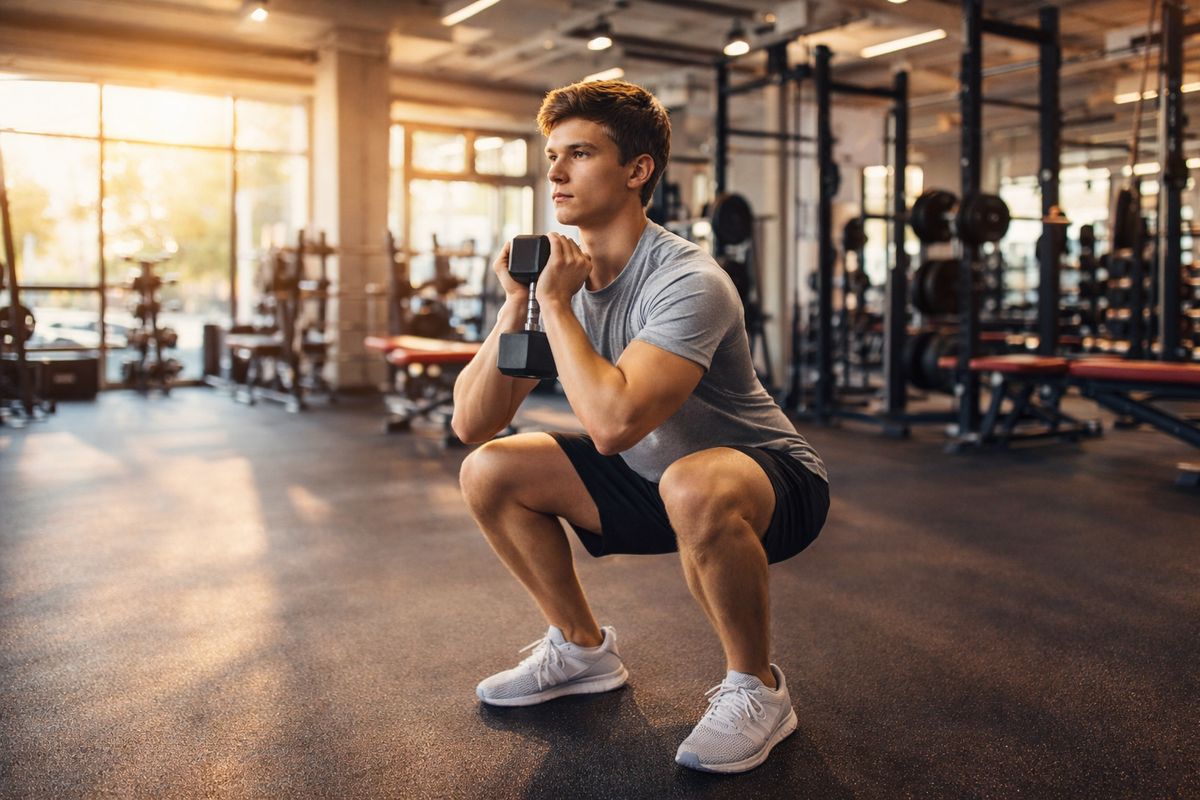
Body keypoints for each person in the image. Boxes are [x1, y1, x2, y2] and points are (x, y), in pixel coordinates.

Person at [451, 79, 829, 774]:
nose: (556, 172)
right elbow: (474, 422)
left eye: (580, 154)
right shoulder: (555, 280)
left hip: (767, 478)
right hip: (654, 478)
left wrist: (557, 307)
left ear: (637, 169)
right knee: (491, 470)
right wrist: (517, 306)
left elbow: (615, 424)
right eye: (552, 155)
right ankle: (581, 648)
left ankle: (757, 689)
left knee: (693, 482)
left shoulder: (688, 279)